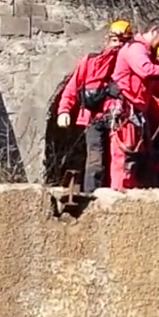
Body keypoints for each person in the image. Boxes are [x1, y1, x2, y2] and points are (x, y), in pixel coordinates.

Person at [110, 22, 159, 190]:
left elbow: (152, 85)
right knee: (125, 153)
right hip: (127, 107)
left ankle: (131, 187)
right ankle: (119, 191)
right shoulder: (136, 49)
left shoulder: (145, 51)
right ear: (153, 32)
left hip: (136, 110)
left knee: (138, 153)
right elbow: (146, 70)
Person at [55, 20, 131, 191]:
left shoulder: (131, 65)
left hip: (119, 118)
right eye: (115, 40)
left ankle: (117, 194)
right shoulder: (91, 61)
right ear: (107, 40)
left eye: (123, 42)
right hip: (93, 118)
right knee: (95, 160)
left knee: (120, 160)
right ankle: (91, 194)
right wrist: (64, 110)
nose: (118, 45)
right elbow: (73, 86)